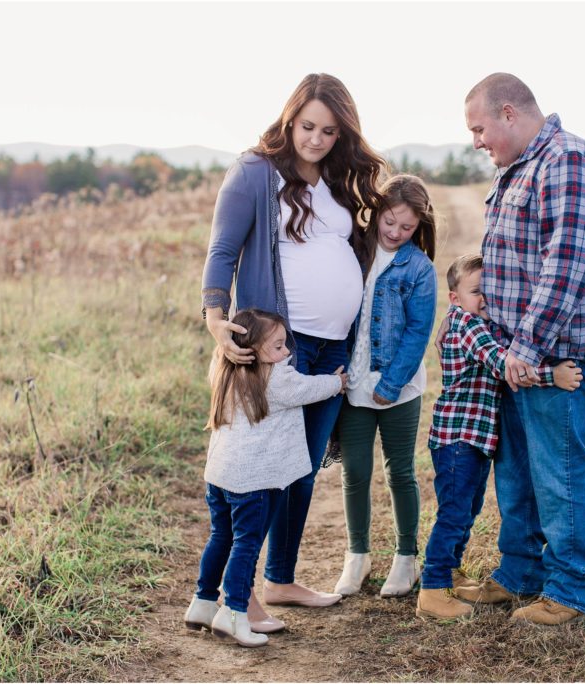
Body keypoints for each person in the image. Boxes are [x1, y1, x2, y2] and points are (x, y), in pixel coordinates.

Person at [201, 73, 385, 614]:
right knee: (263, 471)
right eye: (307, 126)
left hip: (333, 348)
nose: (316, 140)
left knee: (300, 469)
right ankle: (243, 592)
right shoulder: (254, 171)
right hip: (286, 346)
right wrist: (215, 316)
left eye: (329, 131)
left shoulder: (334, 178)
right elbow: (222, 249)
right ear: (289, 118)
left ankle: (280, 579)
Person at [461, 73, 585, 625]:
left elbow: (563, 269)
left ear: (509, 112)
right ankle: (520, 573)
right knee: (518, 472)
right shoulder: (517, 169)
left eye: (480, 128)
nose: (477, 141)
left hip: (555, 356)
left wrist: (525, 349)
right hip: (518, 358)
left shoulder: (567, 162)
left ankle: (570, 591)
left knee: (561, 474)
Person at [416, 255, 583, 619]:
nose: (486, 299)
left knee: (466, 510)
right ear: (455, 298)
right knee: (455, 514)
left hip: (471, 440)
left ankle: (449, 573)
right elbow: (503, 364)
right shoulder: (470, 326)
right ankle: (431, 589)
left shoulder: (469, 321)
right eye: (477, 292)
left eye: (489, 291)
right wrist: (551, 375)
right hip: (459, 438)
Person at [182, 309, 349, 648]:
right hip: (254, 484)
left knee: (221, 537)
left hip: (220, 476)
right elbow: (309, 389)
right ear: (252, 350)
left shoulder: (222, 369)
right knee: (246, 547)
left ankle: (201, 603)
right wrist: (338, 382)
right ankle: (233, 615)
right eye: (277, 347)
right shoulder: (277, 379)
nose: (287, 353)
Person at [331, 175, 438, 598]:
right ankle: (357, 555)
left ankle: (406, 558)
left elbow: (417, 332)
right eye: (389, 222)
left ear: (418, 228)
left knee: (400, 471)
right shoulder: (355, 253)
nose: (395, 233)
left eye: (406, 228)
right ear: (377, 214)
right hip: (353, 381)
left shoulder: (419, 269)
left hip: (398, 386)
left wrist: (392, 383)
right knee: (355, 471)